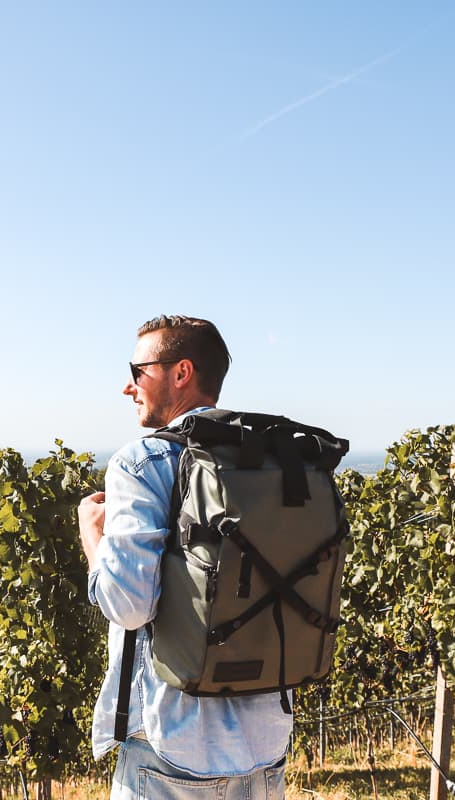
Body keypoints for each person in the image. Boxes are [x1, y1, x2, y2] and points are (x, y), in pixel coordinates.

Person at [78, 315, 290, 800]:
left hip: (173, 749)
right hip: (266, 749)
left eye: (138, 371)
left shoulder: (145, 461)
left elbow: (128, 606)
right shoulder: (273, 462)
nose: (128, 387)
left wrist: (94, 539)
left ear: (181, 373)